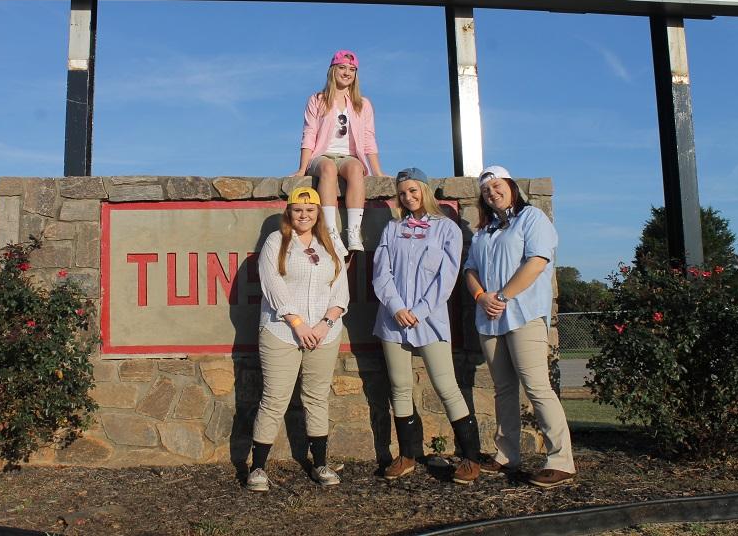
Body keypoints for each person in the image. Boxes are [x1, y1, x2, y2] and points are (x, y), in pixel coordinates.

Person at [464, 165, 576, 489]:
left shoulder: (532, 219)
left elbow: (537, 262)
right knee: (504, 390)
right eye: (486, 190)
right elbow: (470, 270)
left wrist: (502, 295)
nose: (492, 192)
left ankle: (561, 460)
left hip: (523, 315)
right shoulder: (484, 232)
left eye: (497, 186)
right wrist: (482, 296)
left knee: (537, 388)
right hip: (490, 319)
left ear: (511, 186)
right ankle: (505, 455)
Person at [371, 168, 481, 484]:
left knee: (446, 386)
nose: (408, 197)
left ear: (424, 190)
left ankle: (471, 458)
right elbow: (382, 272)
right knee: (400, 387)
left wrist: (418, 310)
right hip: (393, 320)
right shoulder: (392, 229)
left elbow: (446, 277)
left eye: (413, 191)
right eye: (402, 193)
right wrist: (397, 308)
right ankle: (407, 456)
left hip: (429, 319)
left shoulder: (447, 229)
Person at [246, 186, 349, 492]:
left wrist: (325, 323)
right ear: (289, 212)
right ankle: (258, 468)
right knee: (275, 398)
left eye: (310, 210)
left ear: (318, 213)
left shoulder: (330, 242)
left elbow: (340, 287)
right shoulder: (276, 242)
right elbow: (272, 283)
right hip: (282, 331)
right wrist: (298, 323)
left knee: (316, 397)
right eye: (298, 210)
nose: (304, 215)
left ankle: (319, 463)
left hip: (324, 333)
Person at [294, 50, 385, 253]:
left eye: (352, 69)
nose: (347, 73)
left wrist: (377, 171)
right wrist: (302, 168)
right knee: (327, 169)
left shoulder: (363, 104)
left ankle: (353, 232)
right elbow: (309, 132)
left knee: (355, 169)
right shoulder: (318, 100)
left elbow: (369, 138)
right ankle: (331, 233)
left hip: (349, 157)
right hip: (322, 155)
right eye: (342, 68)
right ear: (333, 70)